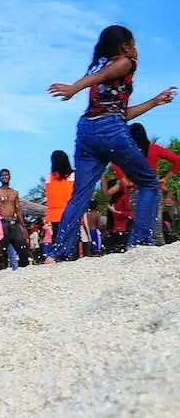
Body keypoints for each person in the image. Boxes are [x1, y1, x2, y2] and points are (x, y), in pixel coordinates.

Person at [45, 25, 176, 261]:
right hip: (109, 131)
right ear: (125, 46)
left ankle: (59, 253)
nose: (136, 49)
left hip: (87, 131)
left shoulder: (104, 71)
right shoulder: (126, 62)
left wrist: (154, 102)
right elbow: (104, 84)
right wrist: (73, 88)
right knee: (149, 184)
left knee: (79, 197)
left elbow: (121, 113)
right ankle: (140, 241)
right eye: (133, 43)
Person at [113, 123, 180, 246]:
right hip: (154, 189)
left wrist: (124, 180)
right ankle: (158, 254)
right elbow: (177, 161)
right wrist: (165, 179)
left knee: (139, 223)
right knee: (156, 224)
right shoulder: (154, 148)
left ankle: (137, 249)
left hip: (136, 190)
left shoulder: (128, 151)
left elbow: (115, 164)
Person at [0, 169, 30, 269]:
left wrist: (23, 226)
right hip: (2, 223)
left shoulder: (14, 193)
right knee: (1, 251)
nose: (4, 177)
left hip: (14, 222)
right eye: (2, 175)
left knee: (22, 248)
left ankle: (24, 269)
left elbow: (18, 210)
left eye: (6, 175)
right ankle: (1, 271)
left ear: (10, 177)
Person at [45, 150, 74, 244]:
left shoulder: (49, 178)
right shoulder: (73, 176)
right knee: (72, 238)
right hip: (70, 211)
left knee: (57, 239)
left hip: (55, 214)